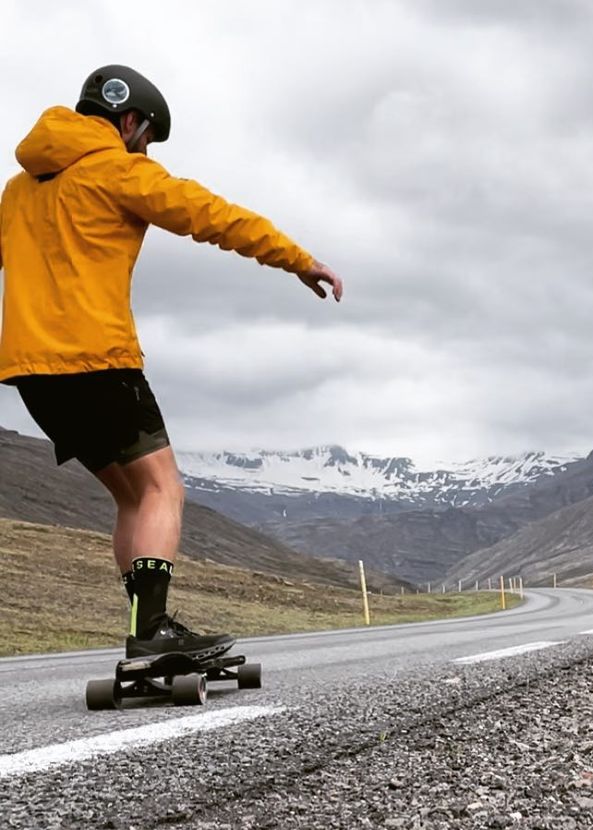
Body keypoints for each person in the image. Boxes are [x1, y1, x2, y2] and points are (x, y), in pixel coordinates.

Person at [0, 64, 343, 660]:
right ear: (130, 121)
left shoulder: (18, 191)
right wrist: (296, 259)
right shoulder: (118, 170)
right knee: (163, 490)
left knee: (132, 499)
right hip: (98, 362)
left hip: (33, 376)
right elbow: (210, 215)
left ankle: (145, 627)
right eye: (149, 137)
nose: (147, 148)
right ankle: (152, 633)